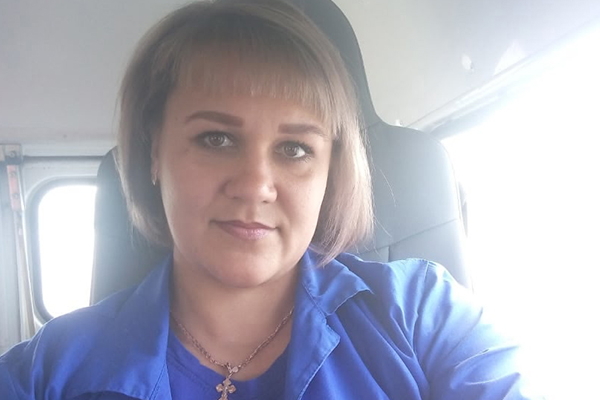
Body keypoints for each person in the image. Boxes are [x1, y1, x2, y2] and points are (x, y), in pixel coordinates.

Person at [0, 0, 543, 399]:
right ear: (153, 153)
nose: (256, 184)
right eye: (216, 139)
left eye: (294, 149)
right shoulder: (47, 372)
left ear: (330, 172)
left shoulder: (423, 316)